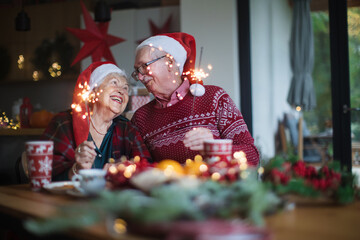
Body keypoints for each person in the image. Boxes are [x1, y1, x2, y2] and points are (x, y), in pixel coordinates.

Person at [131, 32, 259, 166]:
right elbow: (141, 168)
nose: (140, 77)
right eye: (137, 71)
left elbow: (252, 155)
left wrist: (215, 148)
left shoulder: (214, 98)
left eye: (144, 66)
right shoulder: (140, 118)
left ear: (169, 62)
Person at [41, 61, 151, 181]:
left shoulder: (127, 128)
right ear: (93, 91)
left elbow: (147, 169)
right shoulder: (64, 123)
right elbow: (44, 173)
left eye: (125, 88)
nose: (122, 91)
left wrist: (125, 169)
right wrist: (77, 169)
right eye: (114, 83)